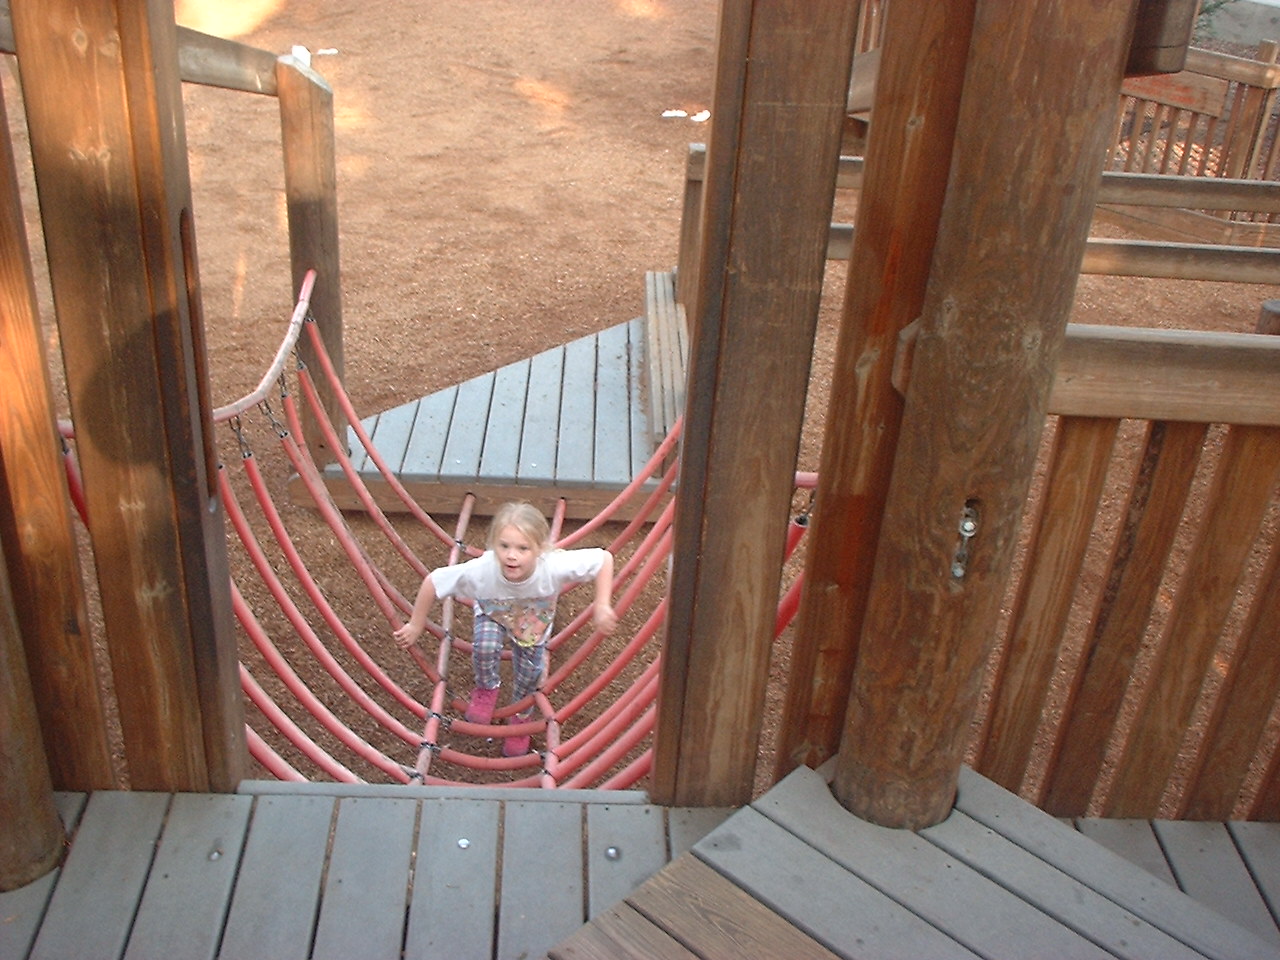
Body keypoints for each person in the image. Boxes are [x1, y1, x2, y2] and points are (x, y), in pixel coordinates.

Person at [394, 501, 618, 756]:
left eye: (523, 548)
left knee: (529, 673)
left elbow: (603, 559)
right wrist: (416, 624)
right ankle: (487, 688)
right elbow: (434, 581)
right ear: (493, 545)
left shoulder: (553, 565)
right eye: (504, 546)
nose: (512, 555)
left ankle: (520, 716)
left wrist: (602, 604)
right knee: (485, 647)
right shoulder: (483, 570)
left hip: (532, 621)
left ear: (540, 549)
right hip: (494, 612)